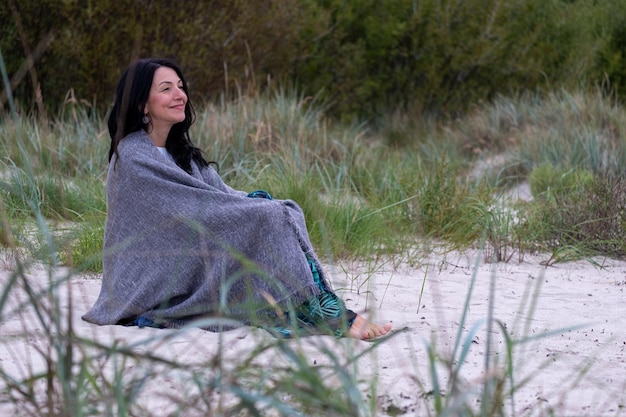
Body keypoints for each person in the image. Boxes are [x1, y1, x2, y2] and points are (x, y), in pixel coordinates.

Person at [82, 58, 392, 340]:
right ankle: (330, 315)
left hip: (183, 261)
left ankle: (314, 306)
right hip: (145, 283)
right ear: (141, 105)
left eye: (181, 86)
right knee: (267, 216)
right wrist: (260, 214)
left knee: (279, 210)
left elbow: (223, 198)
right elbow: (187, 216)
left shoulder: (184, 156)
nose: (180, 95)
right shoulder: (133, 157)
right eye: (166, 89)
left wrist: (267, 205)